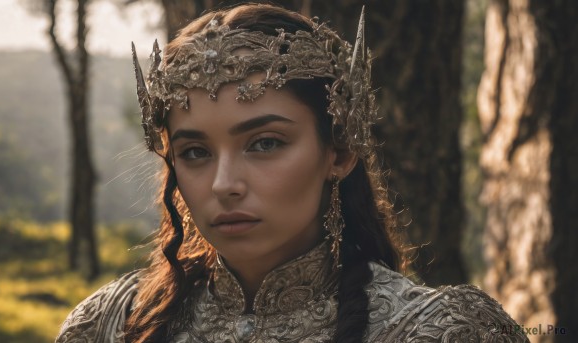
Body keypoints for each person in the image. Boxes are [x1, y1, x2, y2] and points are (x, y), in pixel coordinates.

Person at [56, 4, 528, 343]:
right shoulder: (109, 325)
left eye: (265, 144)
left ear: (339, 153)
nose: (224, 184)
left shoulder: (440, 332)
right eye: (195, 151)